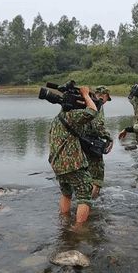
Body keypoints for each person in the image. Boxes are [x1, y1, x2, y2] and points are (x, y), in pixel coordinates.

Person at [48, 85, 97, 225]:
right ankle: (78, 230)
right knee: (84, 194)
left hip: (57, 164)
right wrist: (86, 95)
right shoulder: (72, 116)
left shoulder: (57, 119)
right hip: (72, 164)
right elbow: (93, 111)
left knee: (66, 193)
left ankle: (64, 222)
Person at [84, 86, 113, 199]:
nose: (106, 101)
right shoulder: (98, 105)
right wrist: (109, 138)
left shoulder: (85, 102)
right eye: (107, 98)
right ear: (103, 95)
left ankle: (83, 198)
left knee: (85, 172)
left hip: (80, 142)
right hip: (91, 143)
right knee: (98, 176)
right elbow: (97, 126)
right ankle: (90, 203)